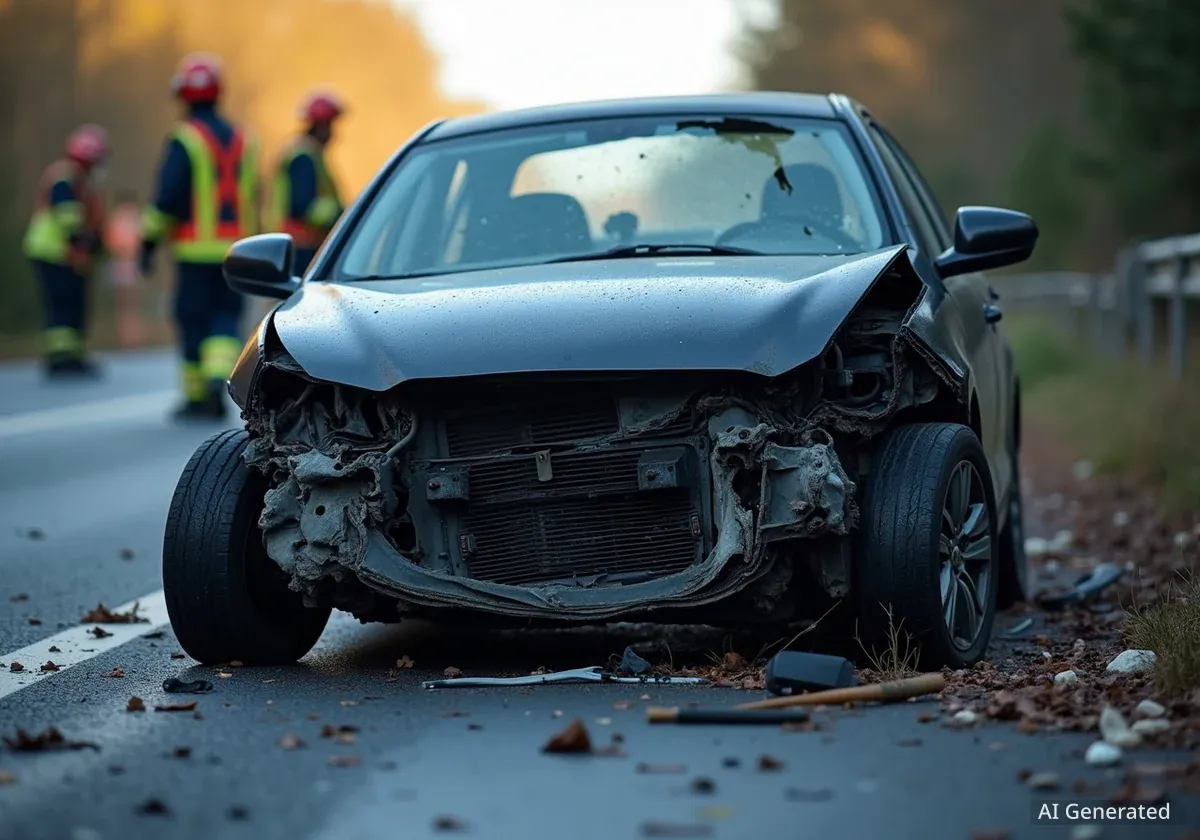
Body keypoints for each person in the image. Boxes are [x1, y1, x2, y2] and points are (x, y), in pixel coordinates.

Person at [140, 52, 261, 420]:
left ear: (183, 95)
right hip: (235, 252)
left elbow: (168, 197)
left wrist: (149, 241)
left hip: (194, 251)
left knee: (193, 318)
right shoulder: (244, 139)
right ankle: (215, 383)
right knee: (225, 318)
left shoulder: (185, 138)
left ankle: (196, 397)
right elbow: (255, 195)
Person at [22, 124, 109, 378]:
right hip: (53, 250)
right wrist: (81, 242)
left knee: (73, 302)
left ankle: (72, 354)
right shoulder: (66, 175)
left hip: (62, 252)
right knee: (62, 302)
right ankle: (61, 357)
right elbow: (67, 214)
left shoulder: (78, 177)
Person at [268, 88, 345, 274]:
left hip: (297, 246)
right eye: (330, 125)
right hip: (301, 247)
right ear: (321, 126)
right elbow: (302, 205)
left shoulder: (306, 152)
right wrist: (339, 213)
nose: (333, 134)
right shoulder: (303, 157)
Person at [104, 190, 144, 348]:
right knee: (123, 299)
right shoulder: (116, 219)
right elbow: (110, 240)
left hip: (133, 261)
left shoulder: (136, 218)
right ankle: (124, 330)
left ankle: (134, 329)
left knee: (133, 298)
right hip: (120, 261)